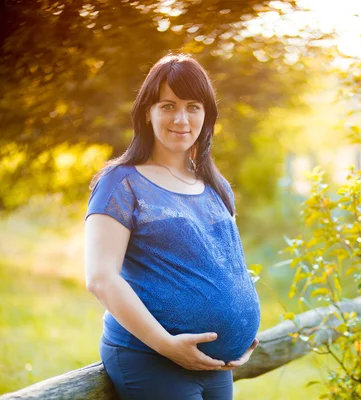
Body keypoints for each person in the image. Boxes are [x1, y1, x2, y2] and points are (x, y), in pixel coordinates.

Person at [84, 53, 261, 400]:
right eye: (168, 105)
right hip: (152, 358)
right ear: (146, 113)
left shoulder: (215, 184)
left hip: (217, 365)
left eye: (193, 106)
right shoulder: (121, 183)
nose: (181, 118)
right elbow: (100, 278)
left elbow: (223, 264)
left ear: (206, 115)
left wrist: (240, 326)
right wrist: (168, 345)